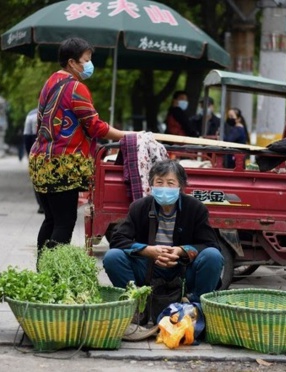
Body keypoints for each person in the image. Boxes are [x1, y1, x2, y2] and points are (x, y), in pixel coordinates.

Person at [28, 37, 128, 257]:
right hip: (63, 163)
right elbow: (96, 127)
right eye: (86, 60)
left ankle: (42, 269)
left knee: (51, 219)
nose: (89, 65)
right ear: (72, 62)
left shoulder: (50, 82)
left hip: (40, 160)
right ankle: (53, 273)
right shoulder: (76, 88)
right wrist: (127, 135)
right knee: (64, 222)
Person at [103, 160, 224, 306]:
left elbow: (210, 244)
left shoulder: (195, 208)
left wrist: (180, 251)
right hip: (149, 268)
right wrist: (148, 251)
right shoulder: (139, 207)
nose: (164, 187)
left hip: (183, 270)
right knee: (112, 257)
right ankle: (136, 302)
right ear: (151, 185)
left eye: (170, 183)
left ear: (180, 186)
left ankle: (196, 305)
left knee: (213, 256)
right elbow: (118, 239)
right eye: (159, 182)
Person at [23, 107, 43, 214]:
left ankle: (41, 205)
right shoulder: (60, 111)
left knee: (37, 178)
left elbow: (27, 136)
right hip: (53, 152)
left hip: (36, 151)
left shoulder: (32, 114)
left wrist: (28, 152)